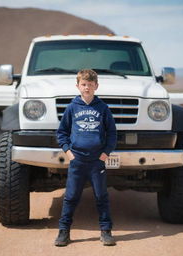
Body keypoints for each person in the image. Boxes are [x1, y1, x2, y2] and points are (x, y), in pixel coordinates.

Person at [55, 69, 117, 246]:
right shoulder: (72, 107)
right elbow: (62, 132)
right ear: (78, 86)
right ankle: (63, 231)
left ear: (96, 86)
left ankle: (106, 231)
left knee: (101, 196)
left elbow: (112, 133)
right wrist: (68, 152)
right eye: (84, 84)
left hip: (97, 161)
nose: (87, 87)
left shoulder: (103, 108)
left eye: (90, 84)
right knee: (71, 196)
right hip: (78, 160)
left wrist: (105, 154)